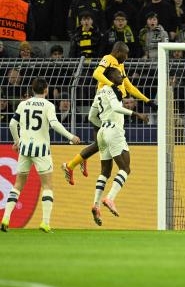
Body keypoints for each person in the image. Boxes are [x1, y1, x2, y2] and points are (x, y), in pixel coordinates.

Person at [62, 42, 154, 185]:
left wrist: (147, 100)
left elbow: (129, 86)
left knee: (100, 143)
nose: (127, 57)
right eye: (125, 53)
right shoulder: (108, 58)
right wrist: (112, 86)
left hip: (112, 104)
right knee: (101, 144)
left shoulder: (120, 65)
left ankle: (76, 162)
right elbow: (96, 73)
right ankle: (71, 164)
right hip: (105, 104)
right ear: (118, 51)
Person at [1, 78, 81, 233]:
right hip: (41, 150)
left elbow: (12, 124)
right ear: (46, 90)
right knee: (47, 186)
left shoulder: (23, 104)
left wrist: (17, 142)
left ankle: (5, 218)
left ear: (32, 90)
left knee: (18, 185)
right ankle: (45, 223)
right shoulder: (48, 105)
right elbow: (54, 124)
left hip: (25, 149)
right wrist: (71, 136)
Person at [87, 67, 148, 225]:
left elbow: (91, 116)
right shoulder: (111, 90)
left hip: (102, 132)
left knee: (105, 172)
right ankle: (110, 198)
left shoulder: (99, 92)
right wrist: (136, 114)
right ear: (110, 77)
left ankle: (96, 204)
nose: (121, 75)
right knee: (125, 168)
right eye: (117, 73)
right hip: (113, 130)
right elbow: (115, 108)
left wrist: (103, 126)